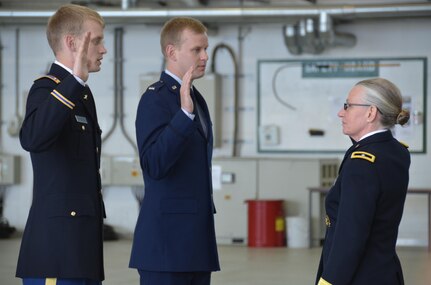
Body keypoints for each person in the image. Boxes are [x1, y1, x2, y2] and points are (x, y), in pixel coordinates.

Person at [16, 4, 107, 285]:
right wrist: (74, 81)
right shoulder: (47, 89)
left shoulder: (81, 93)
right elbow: (32, 138)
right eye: (98, 40)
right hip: (56, 249)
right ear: (72, 42)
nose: (104, 49)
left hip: (81, 247)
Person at [129, 17, 220, 285]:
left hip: (195, 244)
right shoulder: (155, 99)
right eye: (196, 50)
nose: (205, 56)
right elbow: (154, 164)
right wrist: (183, 115)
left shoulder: (195, 97)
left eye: (206, 48)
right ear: (171, 52)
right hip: (166, 246)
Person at [315, 78, 411, 285]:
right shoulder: (395, 151)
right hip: (384, 271)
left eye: (348, 106)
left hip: (358, 276)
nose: (341, 113)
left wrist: (329, 281)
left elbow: (351, 235)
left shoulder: (362, 163)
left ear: (371, 113)